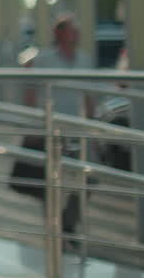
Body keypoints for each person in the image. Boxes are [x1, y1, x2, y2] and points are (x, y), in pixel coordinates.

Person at [11, 13, 94, 233]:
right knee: (50, 179)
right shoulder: (44, 59)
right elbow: (31, 92)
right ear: (59, 33)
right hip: (50, 128)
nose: (75, 34)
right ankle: (55, 225)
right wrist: (33, 125)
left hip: (76, 129)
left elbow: (89, 95)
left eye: (76, 30)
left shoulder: (84, 60)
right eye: (71, 29)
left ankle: (67, 220)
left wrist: (93, 126)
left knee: (89, 177)